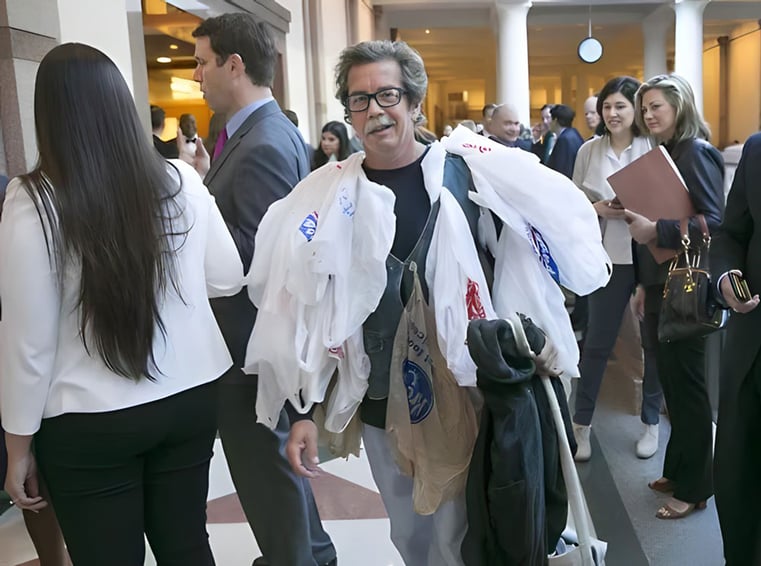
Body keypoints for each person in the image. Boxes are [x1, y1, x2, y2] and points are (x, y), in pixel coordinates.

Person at [247, 40, 610, 565]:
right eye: (359, 100)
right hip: (377, 398)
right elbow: (302, 307)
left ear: (414, 103)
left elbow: (522, 268)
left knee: (464, 533)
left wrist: (542, 344)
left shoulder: (467, 175)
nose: (374, 110)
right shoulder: (327, 197)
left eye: (387, 95)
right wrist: (301, 410)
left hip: (469, 389)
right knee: (409, 536)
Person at [0, 42, 243, 565]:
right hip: (189, 395)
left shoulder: (35, 200)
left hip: (89, 419)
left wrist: (17, 447)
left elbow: (28, 341)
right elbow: (227, 276)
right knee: (185, 545)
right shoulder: (180, 179)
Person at [187, 13, 337, 566]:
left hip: (248, 338)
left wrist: (189, 217)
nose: (197, 75)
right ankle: (310, 554)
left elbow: (258, 260)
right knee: (270, 464)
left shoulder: (265, 142)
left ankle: (296, 558)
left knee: (264, 465)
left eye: (203, 62)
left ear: (235, 64)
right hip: (246, 338)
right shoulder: (250, 134)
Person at [626, 73, 724, 519]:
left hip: (690, 287)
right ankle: (679, 469)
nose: (647, 116)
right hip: (666, 283)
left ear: (679, 107)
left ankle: (698, 486)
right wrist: (646, 284)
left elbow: (715, 224)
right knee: (673, 386)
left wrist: (657, 230)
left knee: (689, 390)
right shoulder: (666, 154)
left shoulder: (697, 152)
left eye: (655, 107)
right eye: (644, 109)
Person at [570, 76, 662, 462]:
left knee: (653, 343)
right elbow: (571, 202)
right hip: (607, 259)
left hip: (651, 257)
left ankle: (651, 423)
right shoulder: (590, 151)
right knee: (596, 343)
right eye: (607, 106)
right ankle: (582, 425)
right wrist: (596, 209)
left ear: (635, 110)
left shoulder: (652, 146)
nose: (612, 113)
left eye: (621, 106)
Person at [711, 132, 761, 565]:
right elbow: (732, 234)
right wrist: (727, 275)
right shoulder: (758, 149)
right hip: (752, 341)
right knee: (739, 474)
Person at [546, 104, 584, 179]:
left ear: (555, 120)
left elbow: (562, 170)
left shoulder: (564, 140)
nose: (548, 122)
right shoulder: (574, 134)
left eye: (550, 118)